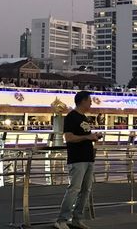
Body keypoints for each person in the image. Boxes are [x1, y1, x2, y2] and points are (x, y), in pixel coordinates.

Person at [55, 91, 101, 229]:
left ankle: (77, 219)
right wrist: (88, 137)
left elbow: (83, 135)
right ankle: (61, 220)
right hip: (77, 158)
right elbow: (68, 138)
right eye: (89, 100)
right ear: (82, 101)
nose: (91, 103)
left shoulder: (84, 118)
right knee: (74, 189)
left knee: (86, 190)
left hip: (88, 158)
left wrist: (93, 137)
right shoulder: (71, 117)